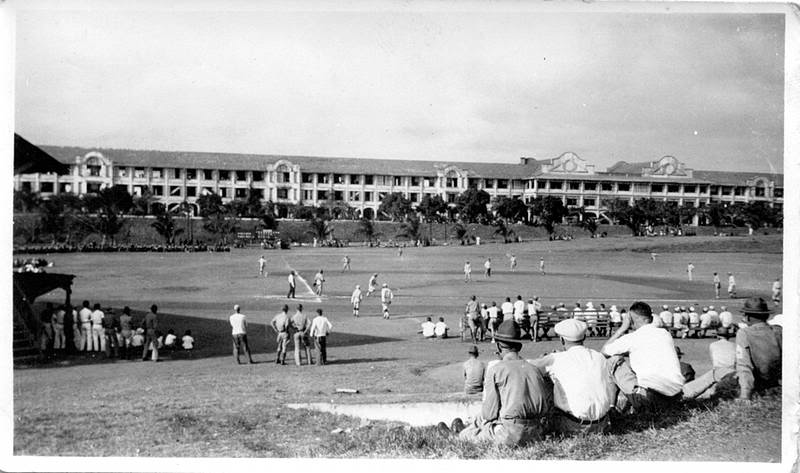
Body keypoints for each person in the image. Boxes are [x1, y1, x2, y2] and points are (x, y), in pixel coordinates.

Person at [454, 319, 552, 446]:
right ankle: (468, 428)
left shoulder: (496, 370)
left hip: (510, 433)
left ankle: (460, 434)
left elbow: (489, 414)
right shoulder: (535, 369)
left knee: (468, 435)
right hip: (536, 432)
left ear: (499, 346)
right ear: (518, 346)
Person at [530, 319, 617, 435]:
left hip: (572, 426)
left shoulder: (556, 358)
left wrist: (543, 358)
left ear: (562, 339)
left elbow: (528, 368)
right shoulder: (599, 357)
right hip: (602, 424)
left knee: (545, 378)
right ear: (584, 337)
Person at [601, 302, 684, 413]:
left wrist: (621, 329)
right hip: (675, 397)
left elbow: (603, 352)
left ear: (631, 318)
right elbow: (646, 349)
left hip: (649, 400)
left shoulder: (632, 338)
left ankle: (612, 408)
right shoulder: (665, 334)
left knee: (613, 360)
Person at [735, 297, 781, 400]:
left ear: (748, 317)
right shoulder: (778, 331)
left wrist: (745, 395)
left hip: (759, 386)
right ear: (767, 315)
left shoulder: (744, 333)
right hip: (778, 384)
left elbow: (744, 365)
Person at [683, 327, 737, 399]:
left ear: (718, 336)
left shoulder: (713, 345)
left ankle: (686, 394)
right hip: (733, 370)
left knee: (703, 382)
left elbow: (714, 361)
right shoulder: (734, 345)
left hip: (719, 370)